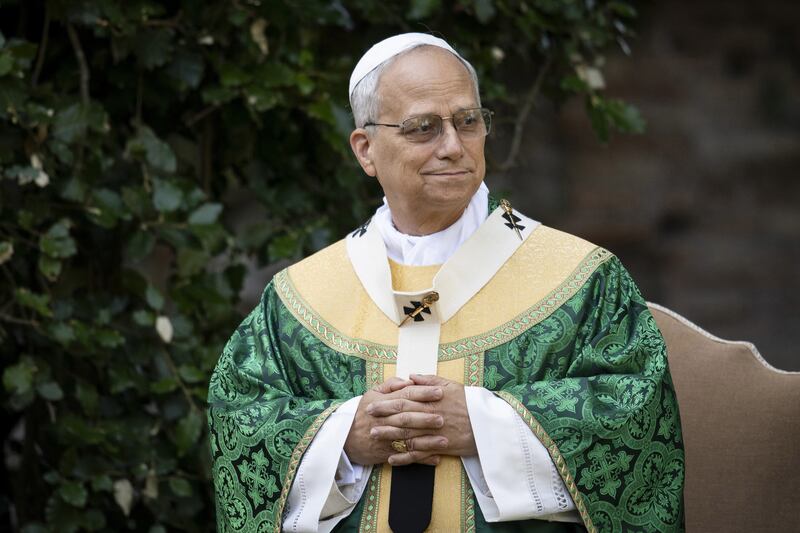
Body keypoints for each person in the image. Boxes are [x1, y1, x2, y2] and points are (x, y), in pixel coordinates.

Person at [208, 33, 685, 533]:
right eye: (423, 128)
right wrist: (343, 438)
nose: (453, 147)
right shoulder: (297, 299)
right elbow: (240, 424)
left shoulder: (583, 279)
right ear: (366, 150)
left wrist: (484, 426)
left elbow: (638, 423)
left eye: (468, 121)